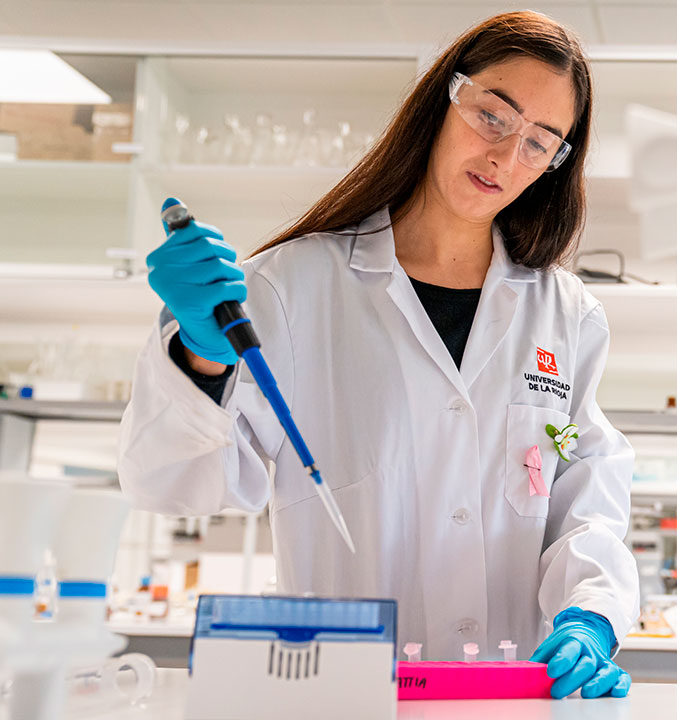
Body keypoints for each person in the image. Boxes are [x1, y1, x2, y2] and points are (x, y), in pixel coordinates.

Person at [118, 11, 637, 699]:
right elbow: (173, 483)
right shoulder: (291, 286)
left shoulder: (565, 315)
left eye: (541, 143)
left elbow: (585, 490)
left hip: (503, 696)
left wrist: (591, 613)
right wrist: (199, 356)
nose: (507, 158)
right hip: (338, 694)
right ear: (442, 99)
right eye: (493, 117)